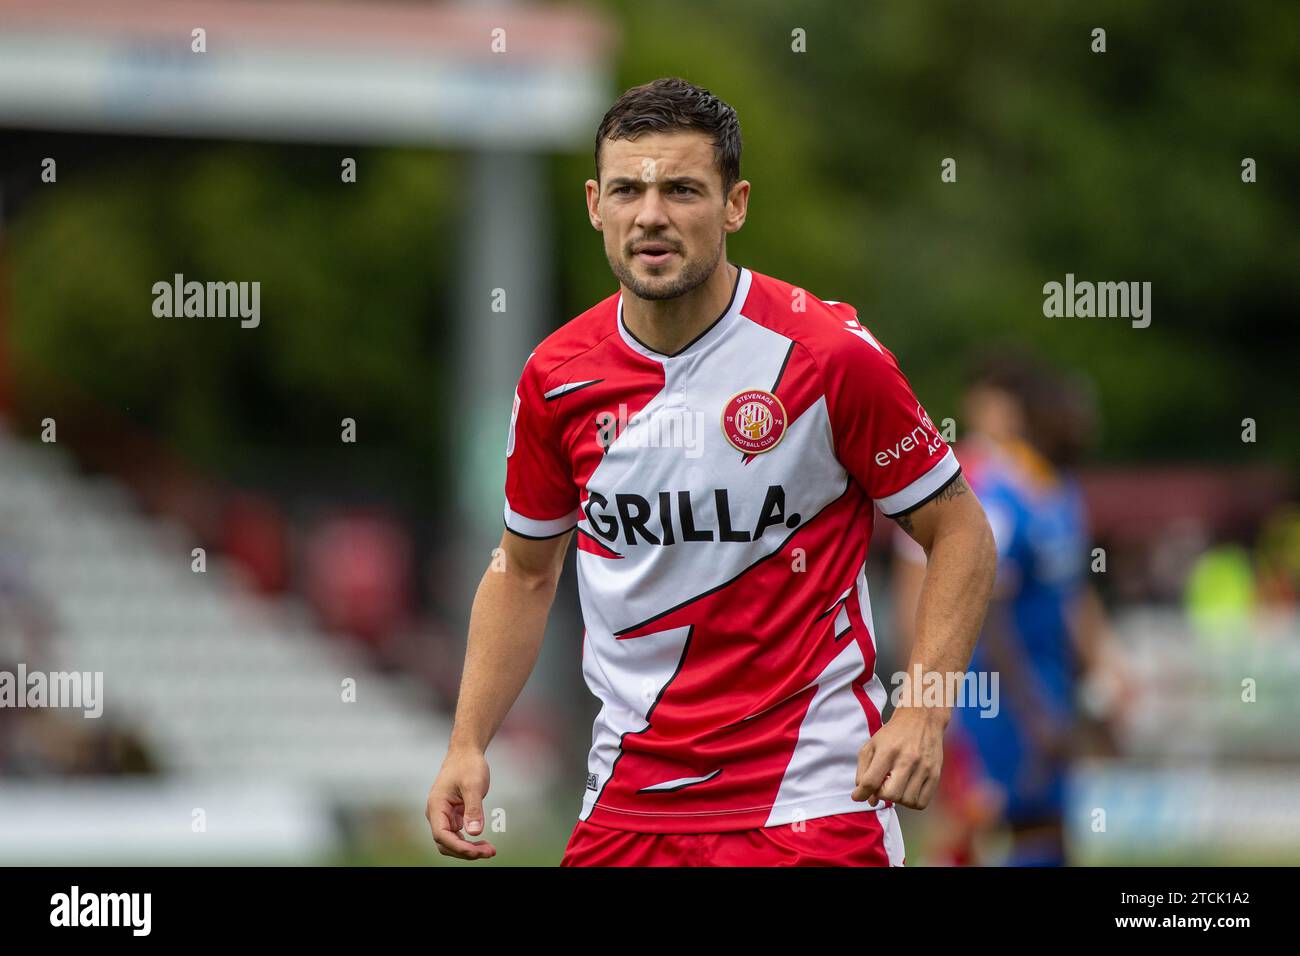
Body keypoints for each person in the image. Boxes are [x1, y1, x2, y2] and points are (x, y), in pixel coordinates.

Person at [425, 77, 996, 866]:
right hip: (626, 806)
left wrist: (925, 713)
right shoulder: (555, 378)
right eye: (628, 188)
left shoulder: (828, 358)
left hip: (812, 802)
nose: (651, 214)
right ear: (596, 204)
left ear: (735, 205)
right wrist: (467, 741)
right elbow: (523, 573)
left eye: (683, 189)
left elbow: (960, 529)